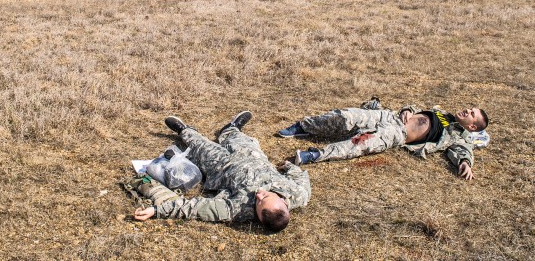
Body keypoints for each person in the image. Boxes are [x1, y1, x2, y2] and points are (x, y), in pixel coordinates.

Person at [131, 111, 310, 232]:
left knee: (200, 145)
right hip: (252, 156)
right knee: (239, 138)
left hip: (221, 165)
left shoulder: (238, 210)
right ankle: (231, 129)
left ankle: (184, 130)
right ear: (284, 203)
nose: (259, 195)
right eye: (266, 196)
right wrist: (288, 166)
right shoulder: (298, 194)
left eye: (259, 202)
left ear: (259, 218)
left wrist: (156, 211)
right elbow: (300, 176)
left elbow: (197, 208)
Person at [278, 101, 489, 180]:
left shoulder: (458, 136)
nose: (467, 110)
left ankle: (315, 155)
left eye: (471, 114)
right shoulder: (443, 112)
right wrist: (407, 109)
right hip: (389, 117)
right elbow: (414, 106)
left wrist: (465, 162)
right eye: (470, 109)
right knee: (346, 116)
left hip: (397, 135)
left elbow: (463, 151)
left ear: (472, 126)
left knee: (360, 144)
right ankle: (303, 127)